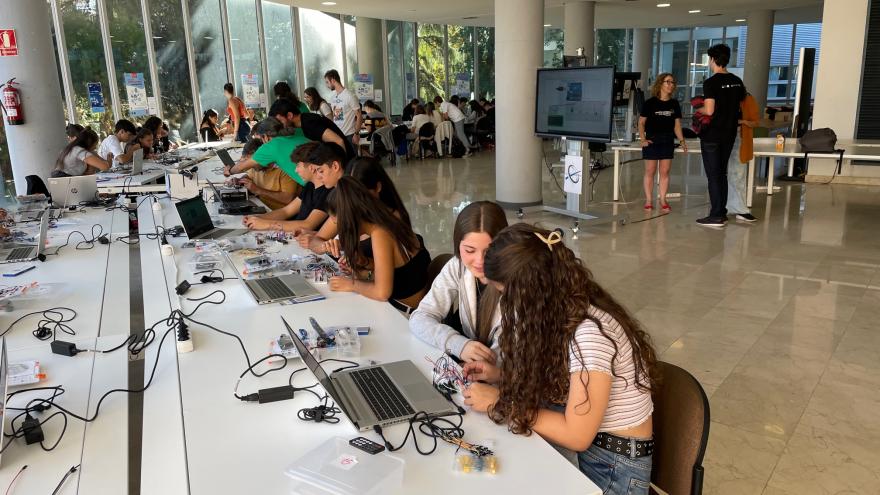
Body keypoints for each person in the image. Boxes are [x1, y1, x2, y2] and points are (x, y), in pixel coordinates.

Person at [461, 223, 658, 493]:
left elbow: (576, 436)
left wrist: (501, 402)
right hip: (595, 445)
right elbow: (563, 384)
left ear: (531, 294)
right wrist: (500, 375)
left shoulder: (589, 336)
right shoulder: (565, 303)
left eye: (507, 295)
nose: (507, 305)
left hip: (611, 466)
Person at [410, 201, 508, 363]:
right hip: (471, 368)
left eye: (489, 251)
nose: (480, 261)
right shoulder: (457, 266)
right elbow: (420, 317)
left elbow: (514, 356)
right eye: (469, 250)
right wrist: (457, 344)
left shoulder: (519, 279)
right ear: (458, 246)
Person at [324, 176, 430, 312]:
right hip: (404, 306)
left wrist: (352, 284)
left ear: (349, 218)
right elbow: (400, 271)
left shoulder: (381, 234)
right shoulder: (387, 220)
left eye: (337, 223)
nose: (338, 228)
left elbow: (382, 293)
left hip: (404, 315)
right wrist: (365, 262)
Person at [296, 156, 411, 255]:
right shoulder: (351, 208)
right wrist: (330, 246)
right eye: (351, 193)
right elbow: (318, 239)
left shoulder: (390, 222)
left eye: (361, 194)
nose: (355, 200)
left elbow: (384, 277)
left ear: (377, 187)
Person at [695, 44, 745, 228]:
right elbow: (739, 106)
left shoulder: (711, 82)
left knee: (713, 176)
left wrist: (697, 108)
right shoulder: (737, 81)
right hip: (729, 134)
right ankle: (721, 211)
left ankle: (716, 215)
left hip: (712, 135)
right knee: (721, 173)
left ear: (713, 59)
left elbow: (709, 110)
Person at [241, 142, 340, 233]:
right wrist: (258, 218)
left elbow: (308, 225)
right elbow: (286, 211)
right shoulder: (310, 185)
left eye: (298, 165)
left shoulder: (329, 191)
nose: (296, 170)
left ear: (311, 167)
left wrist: (267, 224)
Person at [638, 73, 687, 212]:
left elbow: (677, 125)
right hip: (652, 140)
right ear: (660, 84)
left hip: (667, 140)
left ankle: (663, 199)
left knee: (665, 172)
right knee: (650, 171)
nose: (671, 85)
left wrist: (682, 141)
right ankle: (648, 200)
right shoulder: (650, 103)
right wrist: (642, 139)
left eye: (673, 82)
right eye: (668, 82)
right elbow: (641, 123)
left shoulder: (674, 104)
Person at [223, 117, 309, 186]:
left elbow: (241, 167)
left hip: (314, 184)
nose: (261, 144)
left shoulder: (271, 146)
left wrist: (229, 171)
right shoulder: (298, 133)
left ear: (265, 137)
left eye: (260, 139)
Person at [268, 98, 356, 161]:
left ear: (289, 115)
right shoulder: (305, 120)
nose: (279, 125)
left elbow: (338, 141)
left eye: (280, 120)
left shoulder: (309, 123)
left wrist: (342, 168)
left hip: (348, 161)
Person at [238, 138, 300, 210]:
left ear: (262, 156)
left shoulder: (284, 169)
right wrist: (239, 180)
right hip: (261, 206)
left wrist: (259, 190)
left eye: (251, 162)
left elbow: (288, 199)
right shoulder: (256, 167)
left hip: (280, 213)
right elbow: (249, 176)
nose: (250, 165)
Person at [728, 93, 760, 223]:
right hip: (721, 137)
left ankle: (739, 209)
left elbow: (755, 121)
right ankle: (723, 207)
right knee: (720, 175)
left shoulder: (746, 98)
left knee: (738, 174)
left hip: (738, 137)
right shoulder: (718, 95)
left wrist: (742, 121)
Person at [324, 69, 362, 148]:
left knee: (352, 160)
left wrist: (357, 133)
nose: (327, 85)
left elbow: (359, 116)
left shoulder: (350, 96)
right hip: (337, 135)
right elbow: (334, 116)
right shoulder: (333, 97)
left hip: (349, 135)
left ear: (333, 80)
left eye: (327, 82)